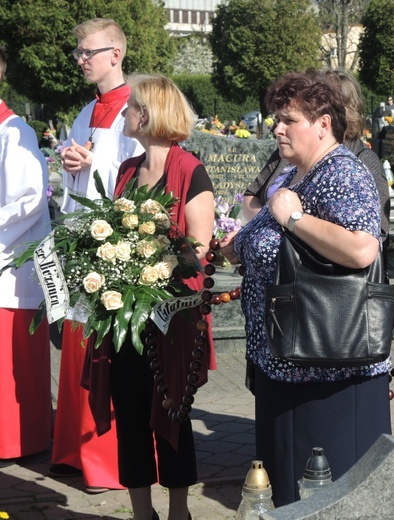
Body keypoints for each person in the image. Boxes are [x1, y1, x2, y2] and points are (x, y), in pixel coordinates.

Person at [222, 70, 390, 506]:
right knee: (287, 494)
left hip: (329, 368)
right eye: (275, 118)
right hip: (285, 362)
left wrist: (294, 219)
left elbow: (361, 249)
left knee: (327, 498)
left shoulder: (344, 173)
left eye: (288, 119)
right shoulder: (293, 174)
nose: (276, 128)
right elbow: (272, 233)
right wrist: (239, 245)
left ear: (323, 124)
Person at [84, 74, 214, 520]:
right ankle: (142, 512)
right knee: (132, 417)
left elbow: (199, 249)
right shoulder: (126, 171)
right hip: (124, 319)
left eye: (132, 106)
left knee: (172, 414)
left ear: (150, 113)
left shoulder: (189, 169)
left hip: (172, 319)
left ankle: (179, 510)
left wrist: (153, 269)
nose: (125, 112)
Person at [51, 17, 143, 491]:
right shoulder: (85, 112)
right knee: (77, 348)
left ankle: (107, 459)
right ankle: (73, 448)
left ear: (115, 54)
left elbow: (141, 174)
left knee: (107, 353)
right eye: (78, 53)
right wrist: (71, 166)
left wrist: (94, 165)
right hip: (82, 242)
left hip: (117, 247)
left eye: (89, 52)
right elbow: (78, 178)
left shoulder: (138, 106)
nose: (81, 60)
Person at [242, 68, 390, 243]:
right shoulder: (291, 153)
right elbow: (252, 194)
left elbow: (370, 239)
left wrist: (291, 220)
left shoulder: (354, 164)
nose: (278, 129)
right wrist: (262, 229)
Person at [0, 46, 52, 461]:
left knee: (13, 368)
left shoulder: (16, 131)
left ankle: (20, 441)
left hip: (9, 268)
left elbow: (30, 199)